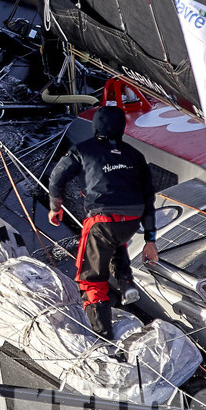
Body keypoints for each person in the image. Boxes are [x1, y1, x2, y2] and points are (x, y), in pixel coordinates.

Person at [45, 105, 159, 343]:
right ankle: (126, 281)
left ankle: (102, 338)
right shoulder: (135, 155)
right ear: (121, 128)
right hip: (130, 221)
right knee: (114, 240)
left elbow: (56, 177)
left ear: (96, 125)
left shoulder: (82, 150)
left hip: (101, 221)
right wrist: (150, 240)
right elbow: (149, 197)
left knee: (90, 280)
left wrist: (55, 208)